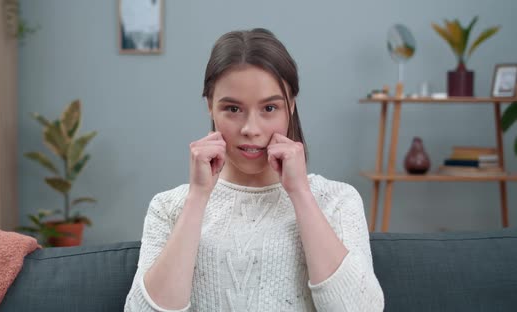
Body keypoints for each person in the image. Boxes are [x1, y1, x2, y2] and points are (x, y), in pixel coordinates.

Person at [124, 28, 384, 311]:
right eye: (233, 109)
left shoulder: (338, 201)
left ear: (291, 107)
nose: (251, 129)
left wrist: (300, 194)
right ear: (210, 106)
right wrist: (198, 197)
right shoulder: (167, 207)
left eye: (269, 108)